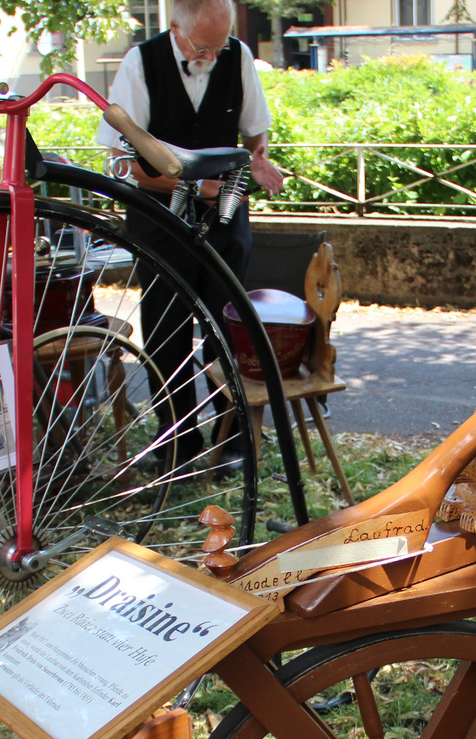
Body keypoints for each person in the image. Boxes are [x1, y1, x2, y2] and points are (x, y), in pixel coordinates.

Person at [94, 0, 286, 471]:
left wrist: (257, 159)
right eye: (204, 46)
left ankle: (233, 440)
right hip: (159, 220)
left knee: (226, 327)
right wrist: (193, 184)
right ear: (176, 30)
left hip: (224, 217)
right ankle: (177, 444)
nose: (212, 54)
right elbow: (125, 163)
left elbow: (254, 132)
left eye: (219, 46)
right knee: (166, 330)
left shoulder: (235, 55)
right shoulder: (140, 63)